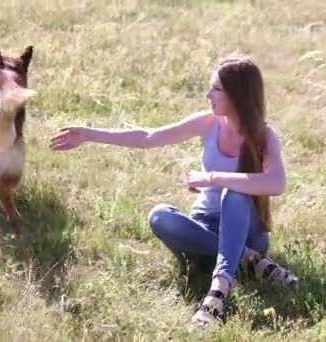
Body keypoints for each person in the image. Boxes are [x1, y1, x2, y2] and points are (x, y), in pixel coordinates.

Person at [49, 55, 297, 326]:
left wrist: (214, 178)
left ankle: (217, 292)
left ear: (236, 94)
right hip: (205, 226)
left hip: (247, 227)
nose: (207, 94)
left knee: (233, 192)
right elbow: (148, 138)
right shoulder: (208, 122)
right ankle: (249, 257)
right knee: (159, 216)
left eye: (215, 89)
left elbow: (276, 183)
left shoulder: (263, 135)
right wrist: (87, 134)